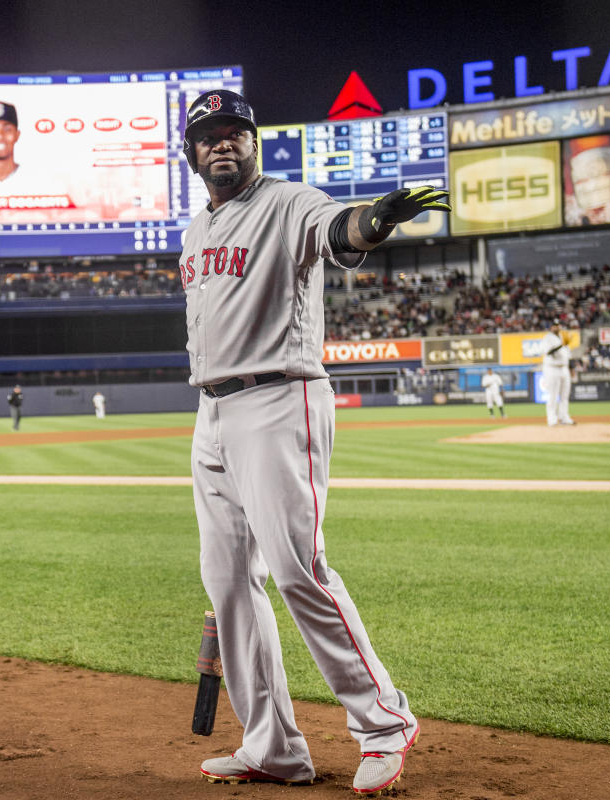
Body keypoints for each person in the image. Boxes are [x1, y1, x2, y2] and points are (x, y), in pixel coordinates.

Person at [178, 90, 449, 796]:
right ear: (192, 154)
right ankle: (272, 746)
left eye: (236, 132)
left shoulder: (288, 201)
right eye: (209, 136)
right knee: (230, 585)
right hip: (211, 413)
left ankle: (384, 723)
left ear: (254, 143)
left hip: (279, 398)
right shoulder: (195, 229)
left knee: (300, 569)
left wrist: (374, 221)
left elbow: (340, 231)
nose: (224, 144)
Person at [540, 322, 575, 426]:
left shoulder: (563, 337)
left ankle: (564, 417)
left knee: (565, 395)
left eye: (558, 325)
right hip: (552, 368)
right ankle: (552, 419)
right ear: (551, 327)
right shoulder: (547, 338)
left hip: (564, 368)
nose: (556, 327)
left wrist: (571, 368)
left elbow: (568, 355)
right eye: (554, 325)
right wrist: (561, 345)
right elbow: (549, 352)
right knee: (553, 395)